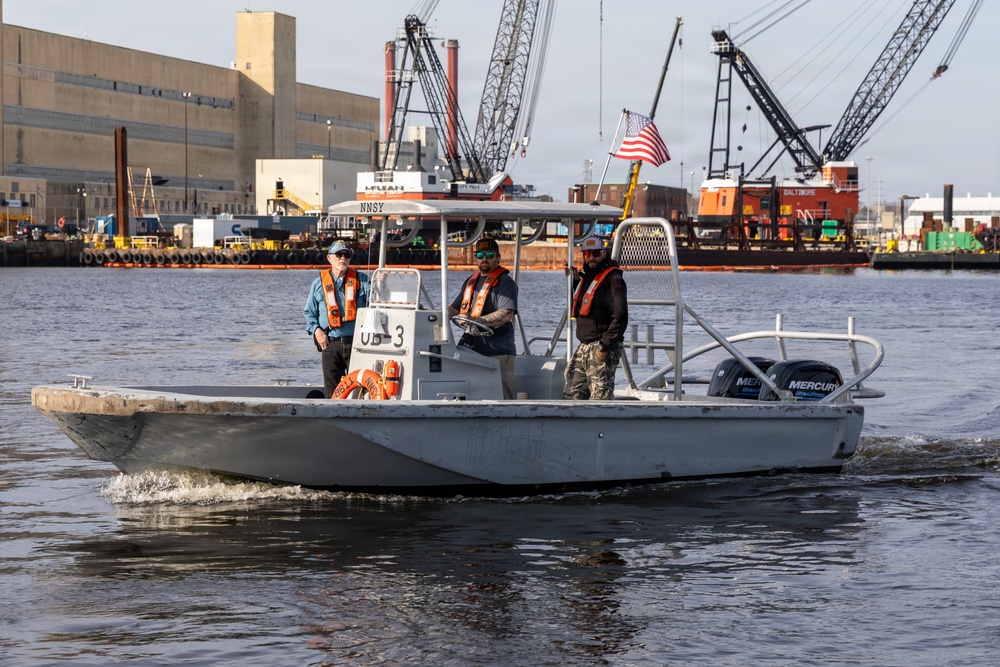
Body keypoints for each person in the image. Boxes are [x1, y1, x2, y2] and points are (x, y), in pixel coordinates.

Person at [448, 237, 519, 399]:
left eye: (489, 254)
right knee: (470, 395)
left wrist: (477, 321)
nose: (484, 258)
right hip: (471, 350)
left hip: (499, 351)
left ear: (498, 257)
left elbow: (506, 314)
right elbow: (454, 308)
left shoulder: (505, 282)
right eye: (480, 254)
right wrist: (435, 316)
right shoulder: (470, 281)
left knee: (502, 397)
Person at [303, 240, 372, 398]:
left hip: (356, 344)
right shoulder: (318, 284)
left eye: (346, 255)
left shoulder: (362, 281)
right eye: (339, 254)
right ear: (329, 258)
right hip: (330, 344)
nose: (343, 258)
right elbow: (309, 313)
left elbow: (378, 299)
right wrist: (317, 331)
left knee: (360, 389)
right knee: (332, 391)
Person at [564, 236, 628, 400]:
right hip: (584, 345)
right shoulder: (587, 277)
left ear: (603, 253)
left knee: (601, 397)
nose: (591, 258)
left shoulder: (613, 280)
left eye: (595, 253)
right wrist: (574, 280)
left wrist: (604, 346)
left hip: (601, 346)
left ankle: (602, 425)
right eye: (587, 254)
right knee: (572, 392)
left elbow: (620, 317)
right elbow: (583, 302)